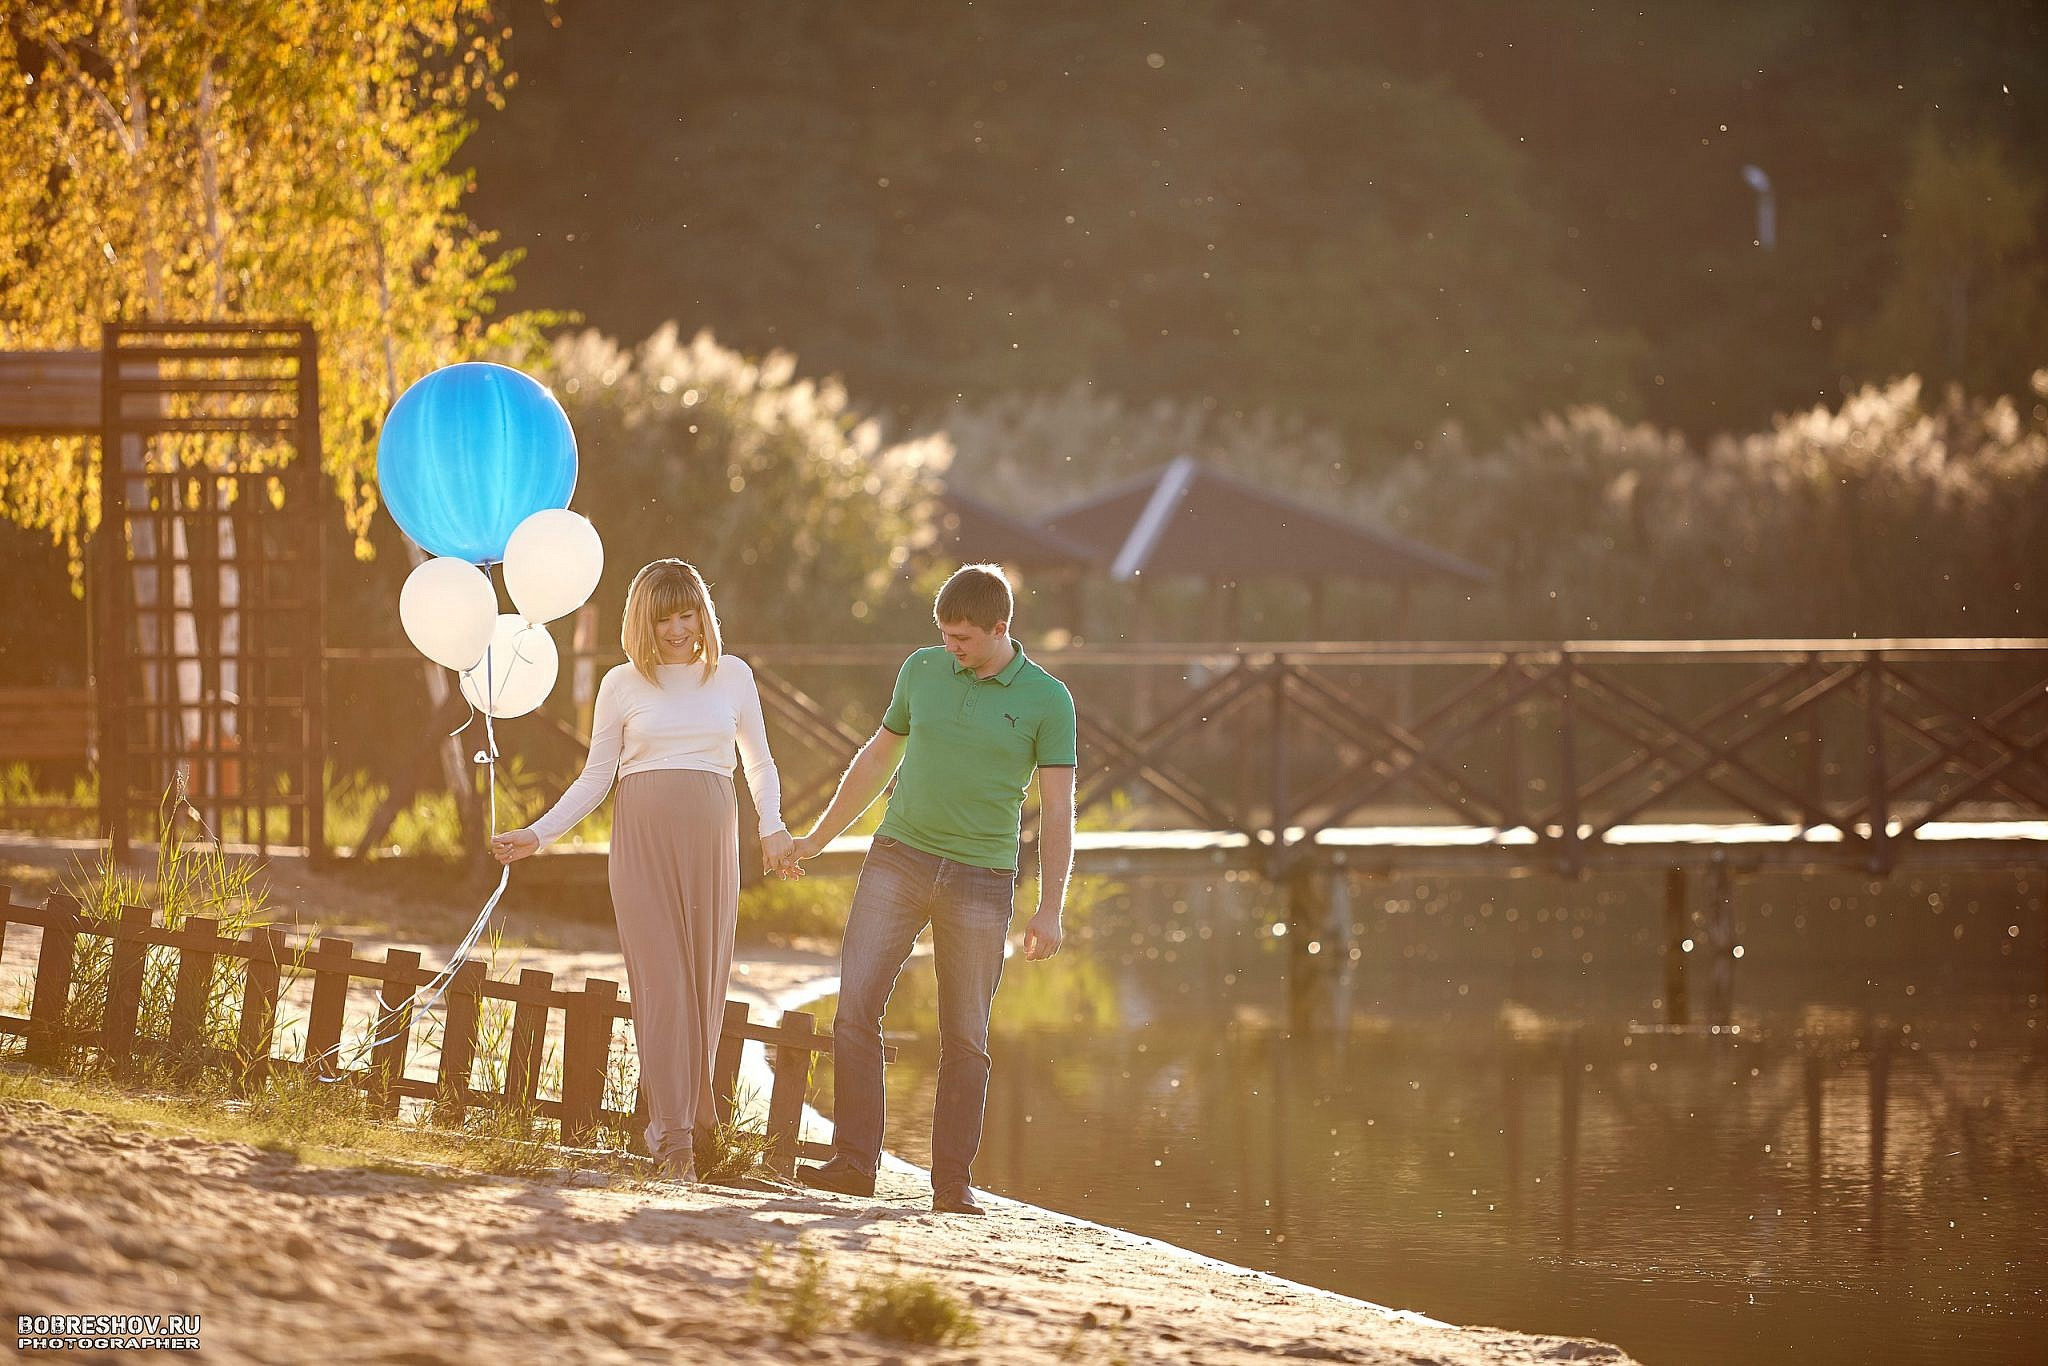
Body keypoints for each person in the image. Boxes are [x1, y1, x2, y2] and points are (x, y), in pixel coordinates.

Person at [490, 559, 796, 1182]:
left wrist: (772, 826)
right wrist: (539, 834)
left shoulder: (733, 676)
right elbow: (596, 776)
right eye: (664, 619)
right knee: (660, 982)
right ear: (642, 622)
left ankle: (692, 1117)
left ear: (703, 615)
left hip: (713, 842)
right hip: (641, 845)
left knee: (702, 984)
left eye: (688, 615)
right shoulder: (620, 684)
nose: (679, 630)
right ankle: (675, 1136)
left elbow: (759, 764)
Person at [793, 563, 1076, 1215]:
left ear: (1001, 629)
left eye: (964, 639)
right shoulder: (920, 670)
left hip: (982, 878)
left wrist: (1051, 907)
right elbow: (875, 759)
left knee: (966, 1034)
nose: (951, 648)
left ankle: (951, 1182)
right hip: (898, 858)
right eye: (945, 635)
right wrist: (818, 837)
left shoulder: (1047, 699)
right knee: (854, 1007)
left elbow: (1059, 811)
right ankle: (854, 1162)